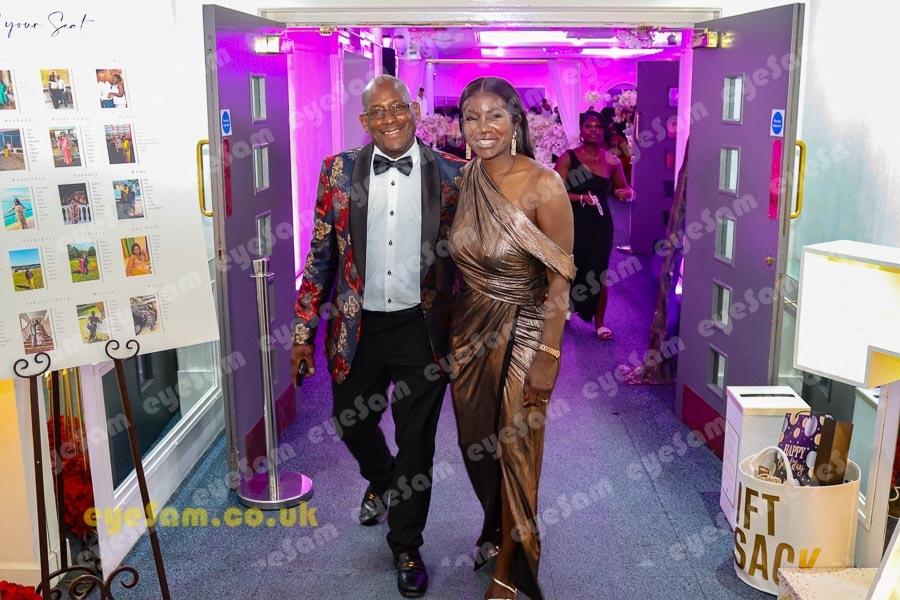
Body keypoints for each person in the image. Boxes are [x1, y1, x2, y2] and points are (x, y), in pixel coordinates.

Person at [289, 74, 465, 598]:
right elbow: (321, 255)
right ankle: (383, 477)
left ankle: (406, 545)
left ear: (414, 110)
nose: (390, 119)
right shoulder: (338, 171)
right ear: (364, 121)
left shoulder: (453, 174)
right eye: (377, 112)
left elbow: (469, 260)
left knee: (418, 442)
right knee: (350, 421)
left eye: (398, 108)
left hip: (421, 329)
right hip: (356, 327)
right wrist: (302, 331)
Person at [450, 76, 575, 600]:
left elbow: (561, 277)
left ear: (516, 122)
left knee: (517, 448)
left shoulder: (544, 184)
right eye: (471, 117)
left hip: (526, 330)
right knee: (477, 446)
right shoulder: (463, 181)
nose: (483, 128)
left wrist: (549, 354)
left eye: (495, 116)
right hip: (469, 335)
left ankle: (511, 566)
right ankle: (497, 527)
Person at [554, 110, 633, 340]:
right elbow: (555, 191)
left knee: (600, 271)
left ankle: (600, 323)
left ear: (604, 131)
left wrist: (626, 193)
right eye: (589, 126)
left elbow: (623, 190)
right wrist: (580, 198)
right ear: (581, 130)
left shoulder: (612, 160)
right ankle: (568, 306)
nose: (593, 130)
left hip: (601, 223)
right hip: (573, 222)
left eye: (598, 126)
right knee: (572, 268)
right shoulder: (568, 157)